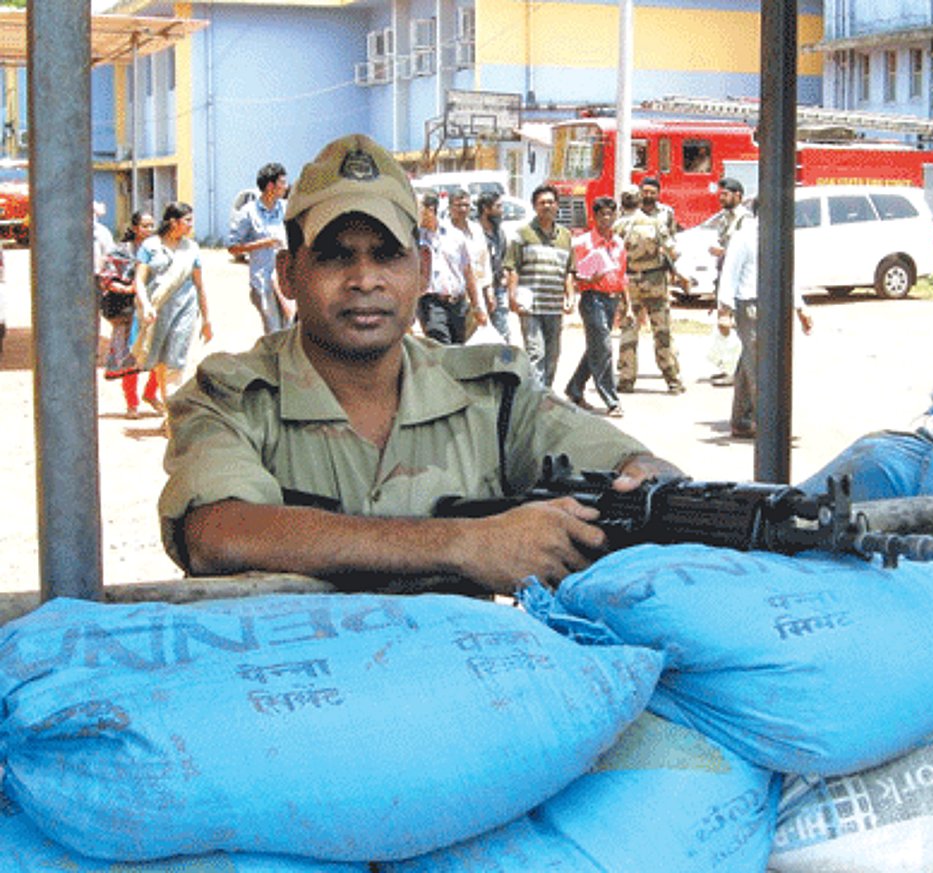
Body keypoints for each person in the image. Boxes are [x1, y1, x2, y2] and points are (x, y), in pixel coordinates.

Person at [158, 133, 681, 596]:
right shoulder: (231, 394)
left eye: (387, 255)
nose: (365, 279)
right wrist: (466, 544)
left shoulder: (493, 393)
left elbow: (625, 463)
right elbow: (218, 532)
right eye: (337, 255)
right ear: (288, 274)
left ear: (423, 269)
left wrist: (650, 478)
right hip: (293, 688)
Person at [716, 208, 813, 440]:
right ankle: (770, 426)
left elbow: (787, 273)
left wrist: (800, 308)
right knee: (762, 367)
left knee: (749, 363)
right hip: (749, 306)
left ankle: (741, 420)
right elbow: (730, 272)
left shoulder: (780, 236)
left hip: (774, 306)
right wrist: (724, 311)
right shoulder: (745, 236)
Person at [133, 201, 212, 416]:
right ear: (173, 222)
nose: (190, 225)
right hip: (156, 313)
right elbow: (139, 281)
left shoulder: (191, 249)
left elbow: (199, 284)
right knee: (159, 362)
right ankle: (170, 413)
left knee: (175, 364)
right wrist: (146, 305)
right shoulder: (150, 247)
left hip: (184, 311)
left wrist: (207, 319)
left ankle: (173, 420)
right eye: (187, 221)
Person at [614, 177, 685, 395]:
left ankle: (626, 380)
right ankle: (672, 379)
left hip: (629, 283)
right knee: (661, 331)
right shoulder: (656, 223)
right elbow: (674, 251)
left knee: (629, 331)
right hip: (655, 281)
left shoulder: (618, 226)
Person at [505, 184, 575, 390]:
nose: (547, 206)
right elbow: (512, 267)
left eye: (551, 202)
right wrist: (512, 296)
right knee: (536, 353)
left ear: (557, 206)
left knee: (553, 355)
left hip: (554, 306)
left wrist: (570, 297)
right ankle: (535, 401)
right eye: (542, 203)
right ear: (534, 206)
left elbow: (569, 270)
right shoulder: (522, 234)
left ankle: (546, 393)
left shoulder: (565, 236)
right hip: (530, 306)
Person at [564, 196, 628, 418]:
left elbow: (622, 274)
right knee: (604, 347)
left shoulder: (619, 242)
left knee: (596, 348)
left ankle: (574, 388)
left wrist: (625, 301)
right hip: (593, 298)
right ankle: (611, 399)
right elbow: (577, 275)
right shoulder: (583, 242)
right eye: (602, 215)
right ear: (595, 216)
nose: (607, 219)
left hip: (612, 298)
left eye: (611, 214)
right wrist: (591, 278)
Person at [98, 209, 160, 417]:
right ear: (134, 228)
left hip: (153, 311)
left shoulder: (159, 251)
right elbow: (106, 277)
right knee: (128, 358)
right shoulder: (121, 251)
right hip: (127, 311)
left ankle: (151, 393)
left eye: (152, 225)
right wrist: (128, 289)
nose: (149, 230)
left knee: (160, 355)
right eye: (145, 226)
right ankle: (132, 404)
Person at [227, 161, 293, 334]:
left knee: (291, 326)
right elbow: (233, 247)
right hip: (263, 282)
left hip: (286, 279)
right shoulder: (249, 213)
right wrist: (264, 243)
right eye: (283, 183)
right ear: (271, 186)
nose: (286, 187)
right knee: (273, 331)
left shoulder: (287, 209)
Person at [417, 191, 483, 344]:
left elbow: (467, 271)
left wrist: (477, 306)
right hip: (431, 303)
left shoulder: (455, 235)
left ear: (431, 209)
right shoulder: (414, 238)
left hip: (457, 304)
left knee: (457, 350)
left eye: (418, 208)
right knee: (440, 345)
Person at [708, 178, 750, 387]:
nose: (721, 198)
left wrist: (723, 252)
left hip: (738, 282)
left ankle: (736, 372)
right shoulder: (725, 219)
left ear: (738, 196)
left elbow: (742, 253)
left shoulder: (744, 220)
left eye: (726, 194)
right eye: (720, 194)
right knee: (724, 325)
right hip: (724, 275)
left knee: (733, 326)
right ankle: (727, 366)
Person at [447, 188, 491, 340]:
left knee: (479, 332)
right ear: (450, 207)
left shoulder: (476, 230)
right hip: (456, 293)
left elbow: (485, 261)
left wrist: (488, 290)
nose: (463, 209)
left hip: (477, 290)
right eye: (458, 205)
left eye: (466, 205)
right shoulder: (444, 232)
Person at [475, 189, 510, 342]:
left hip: (498, 289)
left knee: (502, 334)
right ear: (486, 209)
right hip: (478, 291)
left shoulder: (499, 233)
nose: (501, 211)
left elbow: (504, 258)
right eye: (498, 207)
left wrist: (505, 276)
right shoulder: (474, 232)